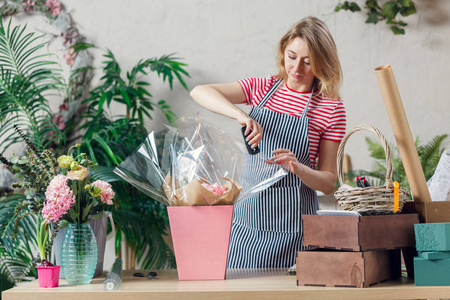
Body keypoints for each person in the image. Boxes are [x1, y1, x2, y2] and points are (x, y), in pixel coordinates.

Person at [190, 16, 346, 268]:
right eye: (292, 56)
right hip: (246, 225)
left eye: (308, 62)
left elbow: (329, 183)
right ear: (283, 50)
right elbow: (199, 91)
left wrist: (298, 168)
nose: (297, 69)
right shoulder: (262, 88)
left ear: (322, 64)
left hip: (295, 230)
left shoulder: (330, 108)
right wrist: (240, 114)